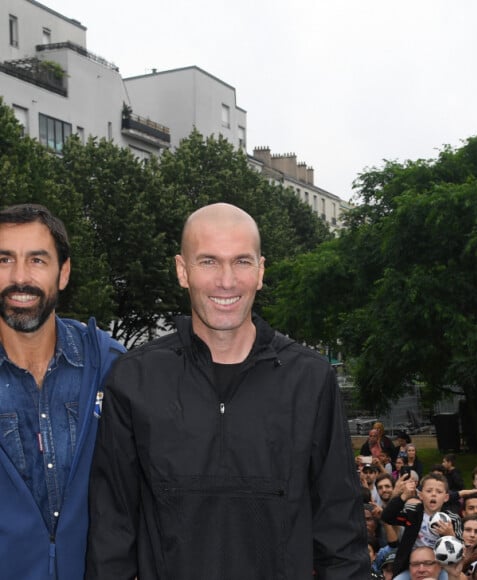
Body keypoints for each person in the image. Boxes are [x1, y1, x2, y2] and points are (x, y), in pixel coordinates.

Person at [85, 203, 369, 579]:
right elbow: (111, 534)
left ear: (261, 271)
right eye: (208, 262)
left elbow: (341, 533)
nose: (226, 280)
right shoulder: (133, 379)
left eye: (241, 261)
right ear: (182, 271)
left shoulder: (310, 380)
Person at [0, 204, 125, 580]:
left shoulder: (110, 368)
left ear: (63, 273)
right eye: (4, 260)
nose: (20, 277)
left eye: (37, 260)